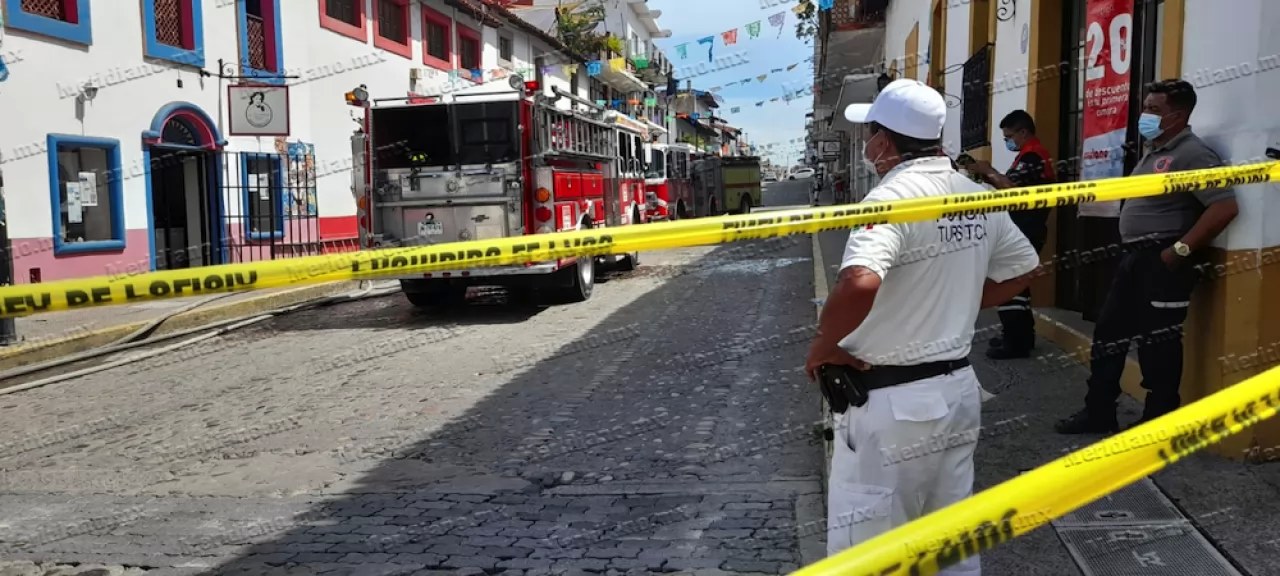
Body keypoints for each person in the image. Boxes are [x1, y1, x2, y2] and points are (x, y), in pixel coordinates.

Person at [805, 79, 1042, 574]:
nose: (869, 146)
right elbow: (1026, 269)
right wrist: (956, 302)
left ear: (885, 142)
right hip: (957, 392)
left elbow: (858, 282)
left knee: (866, 549)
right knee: (949, 539)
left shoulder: (892, 199)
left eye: (871, 134)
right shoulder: (975, 194)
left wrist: (824, 348)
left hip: (892, 404)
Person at [1056, 79, 1239, 434]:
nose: (1145, 115)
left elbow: (1224, 207)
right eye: (1146, 107)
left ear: (1179, 115)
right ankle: (1099, 411)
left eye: (1154, 110)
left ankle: (1160, 421)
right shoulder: (1155, 150)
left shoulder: (1192, 153)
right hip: (1133, 259)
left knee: (1160, 343)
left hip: (1162, 261)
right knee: (1109, 334)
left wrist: (1179, 251)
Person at [966, 110, 1056, 358]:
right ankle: (1016, 335)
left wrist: (989, 170)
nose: (1008, 142)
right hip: (1023, 227)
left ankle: (1017, 341)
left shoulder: (1033, 156)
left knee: (1010, 282)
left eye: (1009, 136)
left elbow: (1012, 190)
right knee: (1015, 282)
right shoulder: (1027, 156)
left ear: (1023, 132)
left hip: (1028, 227)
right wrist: (985, 174)